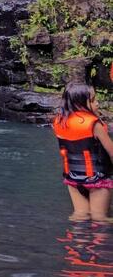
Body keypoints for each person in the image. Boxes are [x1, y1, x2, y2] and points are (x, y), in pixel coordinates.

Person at [52, 82, 113, 222]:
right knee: (100, 219)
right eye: (92, 100)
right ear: (80, 103)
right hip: (97, 179)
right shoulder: (94, 124)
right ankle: (100, 243)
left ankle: (77, 243)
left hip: (73, 179)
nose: (97, 103)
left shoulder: (59, 122)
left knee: (80, 216)